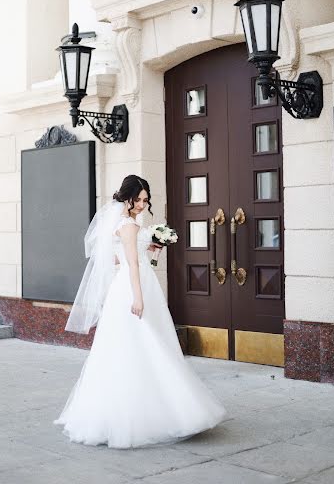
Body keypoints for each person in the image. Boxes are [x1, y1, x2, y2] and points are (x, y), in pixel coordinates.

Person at [54, 174, 226, 448]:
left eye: (147, 200)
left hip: (130, 286)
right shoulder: (129, 227)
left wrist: (154, 249)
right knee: (145, 342)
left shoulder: (122, 225)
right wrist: (138, 297)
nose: (144, 204)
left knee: (143, 343)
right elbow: (132, 265)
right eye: (140, 199)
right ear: (128, 197)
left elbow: (118, 259)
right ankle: (159, 412)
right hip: (134, 288)